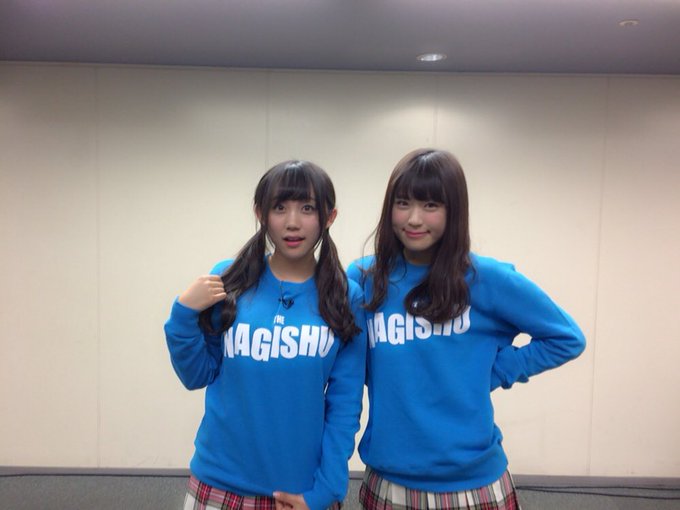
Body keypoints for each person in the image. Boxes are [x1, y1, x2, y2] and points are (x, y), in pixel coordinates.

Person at [347, 149, 586, 510]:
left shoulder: (486, 278)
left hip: (473, 484)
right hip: (389, 479)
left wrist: (494, 371)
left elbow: (566, 338)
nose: (414, 218)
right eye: (403, 203)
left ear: (454, 210)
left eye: (430, 205)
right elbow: (346, 360)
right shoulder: (365, 278)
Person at [165, 160, 366, 510]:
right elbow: (196, 375)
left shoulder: (345, 296)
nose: (292, 222)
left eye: (307, 208)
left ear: (329, 216)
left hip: (301, 494)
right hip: (218, 485)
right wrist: (183, 315)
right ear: (261, 213)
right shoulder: (229, 280)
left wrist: (327, 490)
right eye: (279, 207)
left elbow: (345, 405)